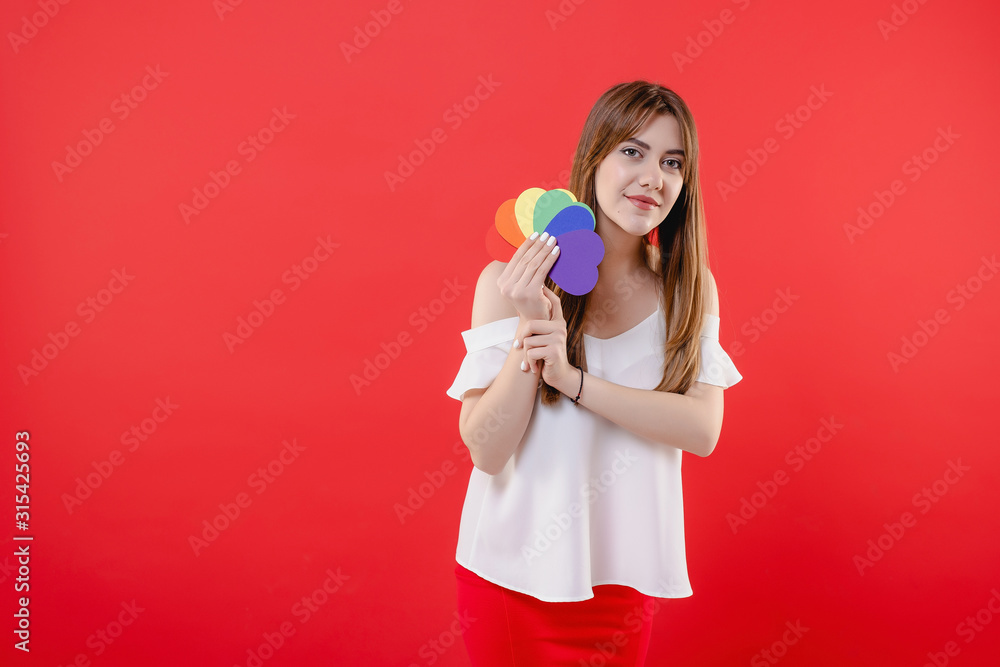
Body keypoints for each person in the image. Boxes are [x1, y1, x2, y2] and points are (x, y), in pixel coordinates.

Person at [445, 80, 743, 666]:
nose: (653, 177)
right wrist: (532, 339)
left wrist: (573, 380)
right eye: (632, 151)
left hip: (619, 583)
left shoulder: (688, 291)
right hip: (508, 579)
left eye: (672, 161)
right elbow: (485, 448)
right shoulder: (509, 283)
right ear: (594, 157)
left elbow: (701, 430)